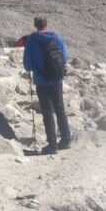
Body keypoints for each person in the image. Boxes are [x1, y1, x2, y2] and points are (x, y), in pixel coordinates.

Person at [23, 16, 71, 155]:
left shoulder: (32, 39)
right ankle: (66, 139)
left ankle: (52, 145)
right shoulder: (57, 36)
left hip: (42, 81)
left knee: (47, 112)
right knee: (60, 108)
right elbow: (65, 56)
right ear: (46, 25)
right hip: (57, 79)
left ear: (35, 25)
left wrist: (33, 68)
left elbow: (27, 64)